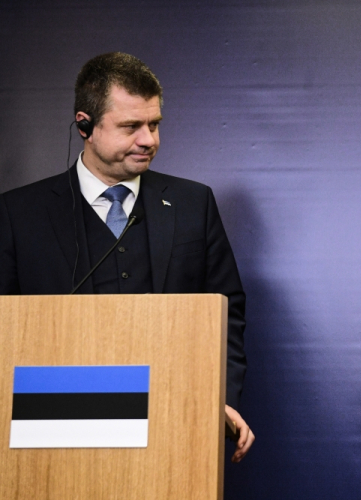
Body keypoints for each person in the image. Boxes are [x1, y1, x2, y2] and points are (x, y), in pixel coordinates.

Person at [0, 52, 254, 461]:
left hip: (176, 424)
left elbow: (228, 314)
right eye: (131, 126)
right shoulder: (18, 214)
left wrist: (219, 401)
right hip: (56, 433)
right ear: (85, 125)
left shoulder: (193, 204)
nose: (149, 139)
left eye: (154, 124)